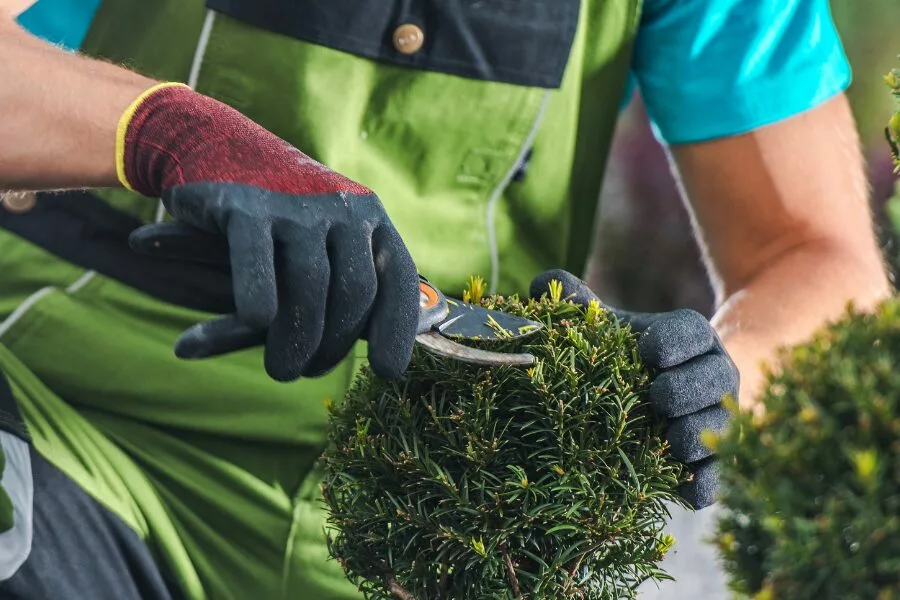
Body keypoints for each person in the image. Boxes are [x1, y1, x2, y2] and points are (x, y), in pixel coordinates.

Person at [0, 0, 890, 598]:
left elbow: (816, 258)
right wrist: (169, 130)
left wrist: (721, 378)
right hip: (76, 427)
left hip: (440, 505)